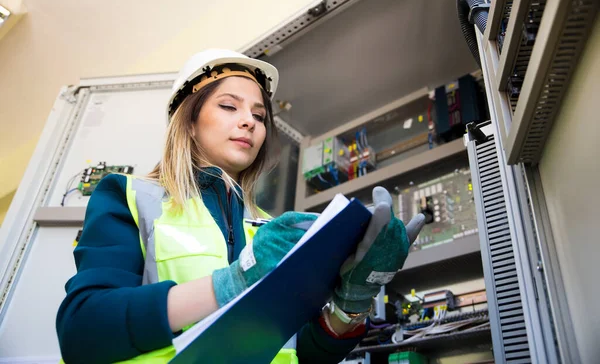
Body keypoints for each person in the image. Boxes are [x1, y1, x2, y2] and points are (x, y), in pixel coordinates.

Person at [56, 49, 424, 363]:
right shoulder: (131, 197)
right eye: (229, 106)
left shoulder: (272, 230)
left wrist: (351, 305)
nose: (249, 121)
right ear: (188, 121)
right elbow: (82, 329)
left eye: (260, 116)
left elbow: (298, 354)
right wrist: (233, 284)